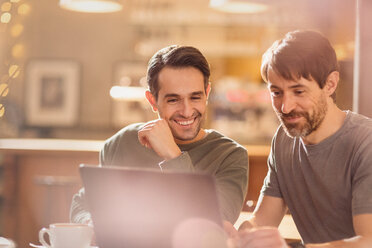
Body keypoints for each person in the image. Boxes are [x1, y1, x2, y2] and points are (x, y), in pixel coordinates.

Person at [70, 45, 248, 225]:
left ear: (207, 94)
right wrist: (91, 223)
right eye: (173, 100)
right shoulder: (121, 142)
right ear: (152, 101)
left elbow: (214, 225)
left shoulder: (230, 156)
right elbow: (82, 204)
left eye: (195, 97)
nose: (186, 111)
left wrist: (173, 156)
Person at [225, 30, 372, 248]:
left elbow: (368, 241)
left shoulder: (365, 143)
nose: (286, 107)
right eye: (276, 93)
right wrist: (241, 236)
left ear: (330, 84)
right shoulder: (285, 140)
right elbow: (263, 220)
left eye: (299, 91)